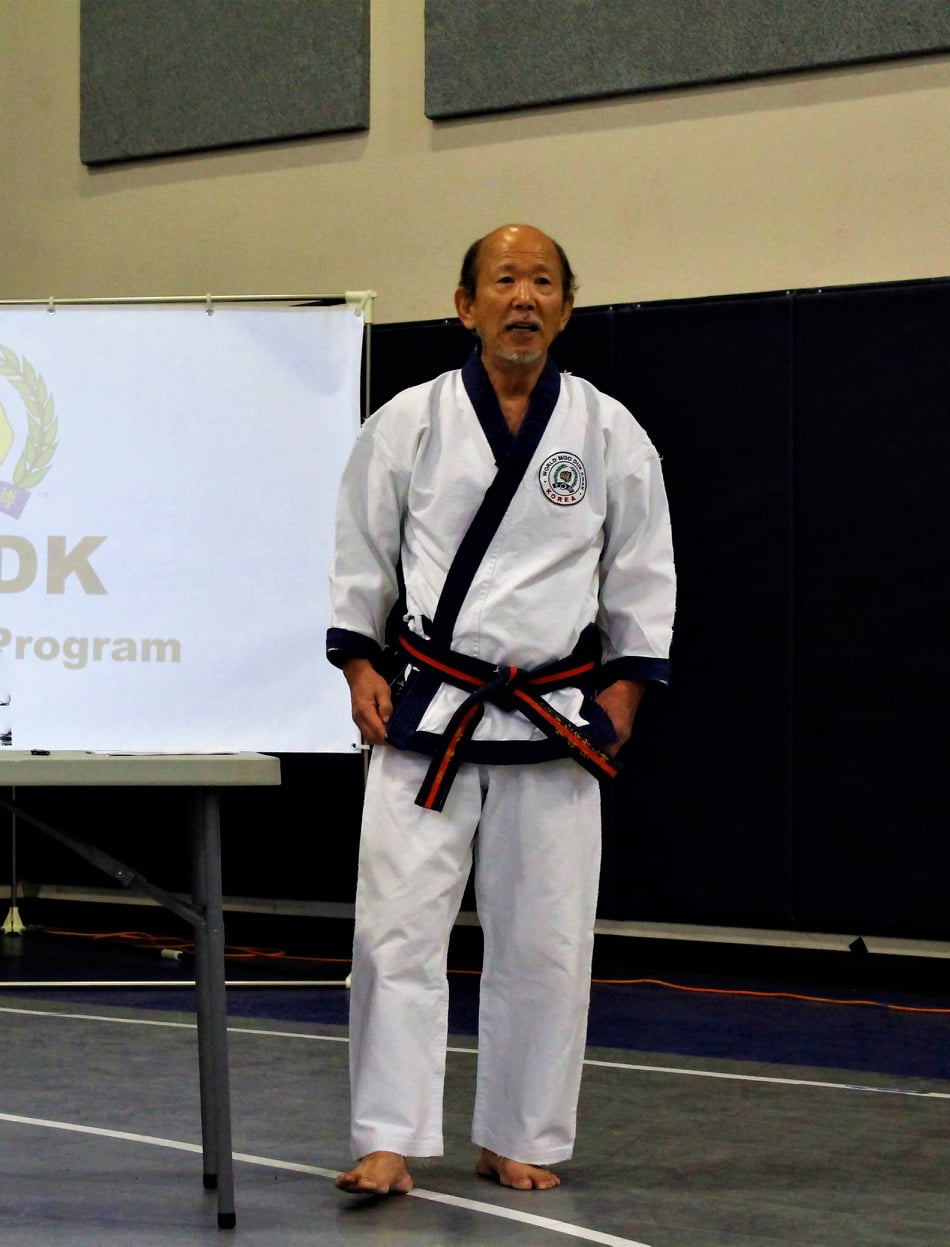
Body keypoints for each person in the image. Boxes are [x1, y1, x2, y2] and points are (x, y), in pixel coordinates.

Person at [327, 224, 675, 1195]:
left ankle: (519, 1132)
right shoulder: (409, 421)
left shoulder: (607, 430)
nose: (523, 297)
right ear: (465, 305)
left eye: (543, 282)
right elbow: (361, 550)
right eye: (505, 280)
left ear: (566, 307)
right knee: (395, 932)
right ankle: (388, 1136)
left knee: (546, 942)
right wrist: (358, 661)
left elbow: (642, 567)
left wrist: (624, 688)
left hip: (553, 718)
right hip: (431, 711)